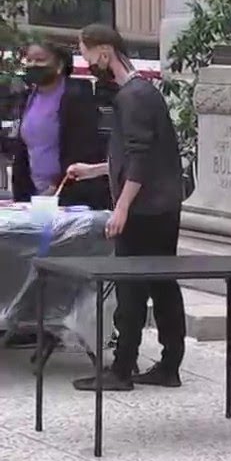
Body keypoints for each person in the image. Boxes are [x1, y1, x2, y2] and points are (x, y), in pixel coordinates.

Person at [65, 23, 187, 392]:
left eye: (87, 54)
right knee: (162, 284)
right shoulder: (142, 93)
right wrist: (94, 170)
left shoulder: (132, 97)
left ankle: (121, 369)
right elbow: (135, 156)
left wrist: (121, 207)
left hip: (145, 210)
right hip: (161, 206)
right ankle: (169, 365)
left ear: (104, 52)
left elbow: (140, 157)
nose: (88, 63)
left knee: (131, 287)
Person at [9, 40, 111, 209]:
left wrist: (56, 187)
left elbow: (83, 148)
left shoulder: (77, 96)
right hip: (33, 194)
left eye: (40, 60)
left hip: (71, 194)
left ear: (59, 65)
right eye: (29, 60)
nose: (33, 65)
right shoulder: (27, 98)